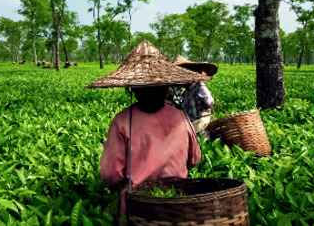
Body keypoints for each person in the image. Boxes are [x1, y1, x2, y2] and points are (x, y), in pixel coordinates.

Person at [88, 41, 207, 224]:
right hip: (177, 202)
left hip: (137, 206)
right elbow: (194, 159)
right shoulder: (181, 117)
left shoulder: (122, 121)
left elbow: (110, 173)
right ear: (166, 87)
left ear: (133, 89)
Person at [172, 56, 217, 134]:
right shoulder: (186, 91)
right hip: (189, 125)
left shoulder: (199, 86)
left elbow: (209, 102)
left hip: (199, 129)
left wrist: (204, 112)